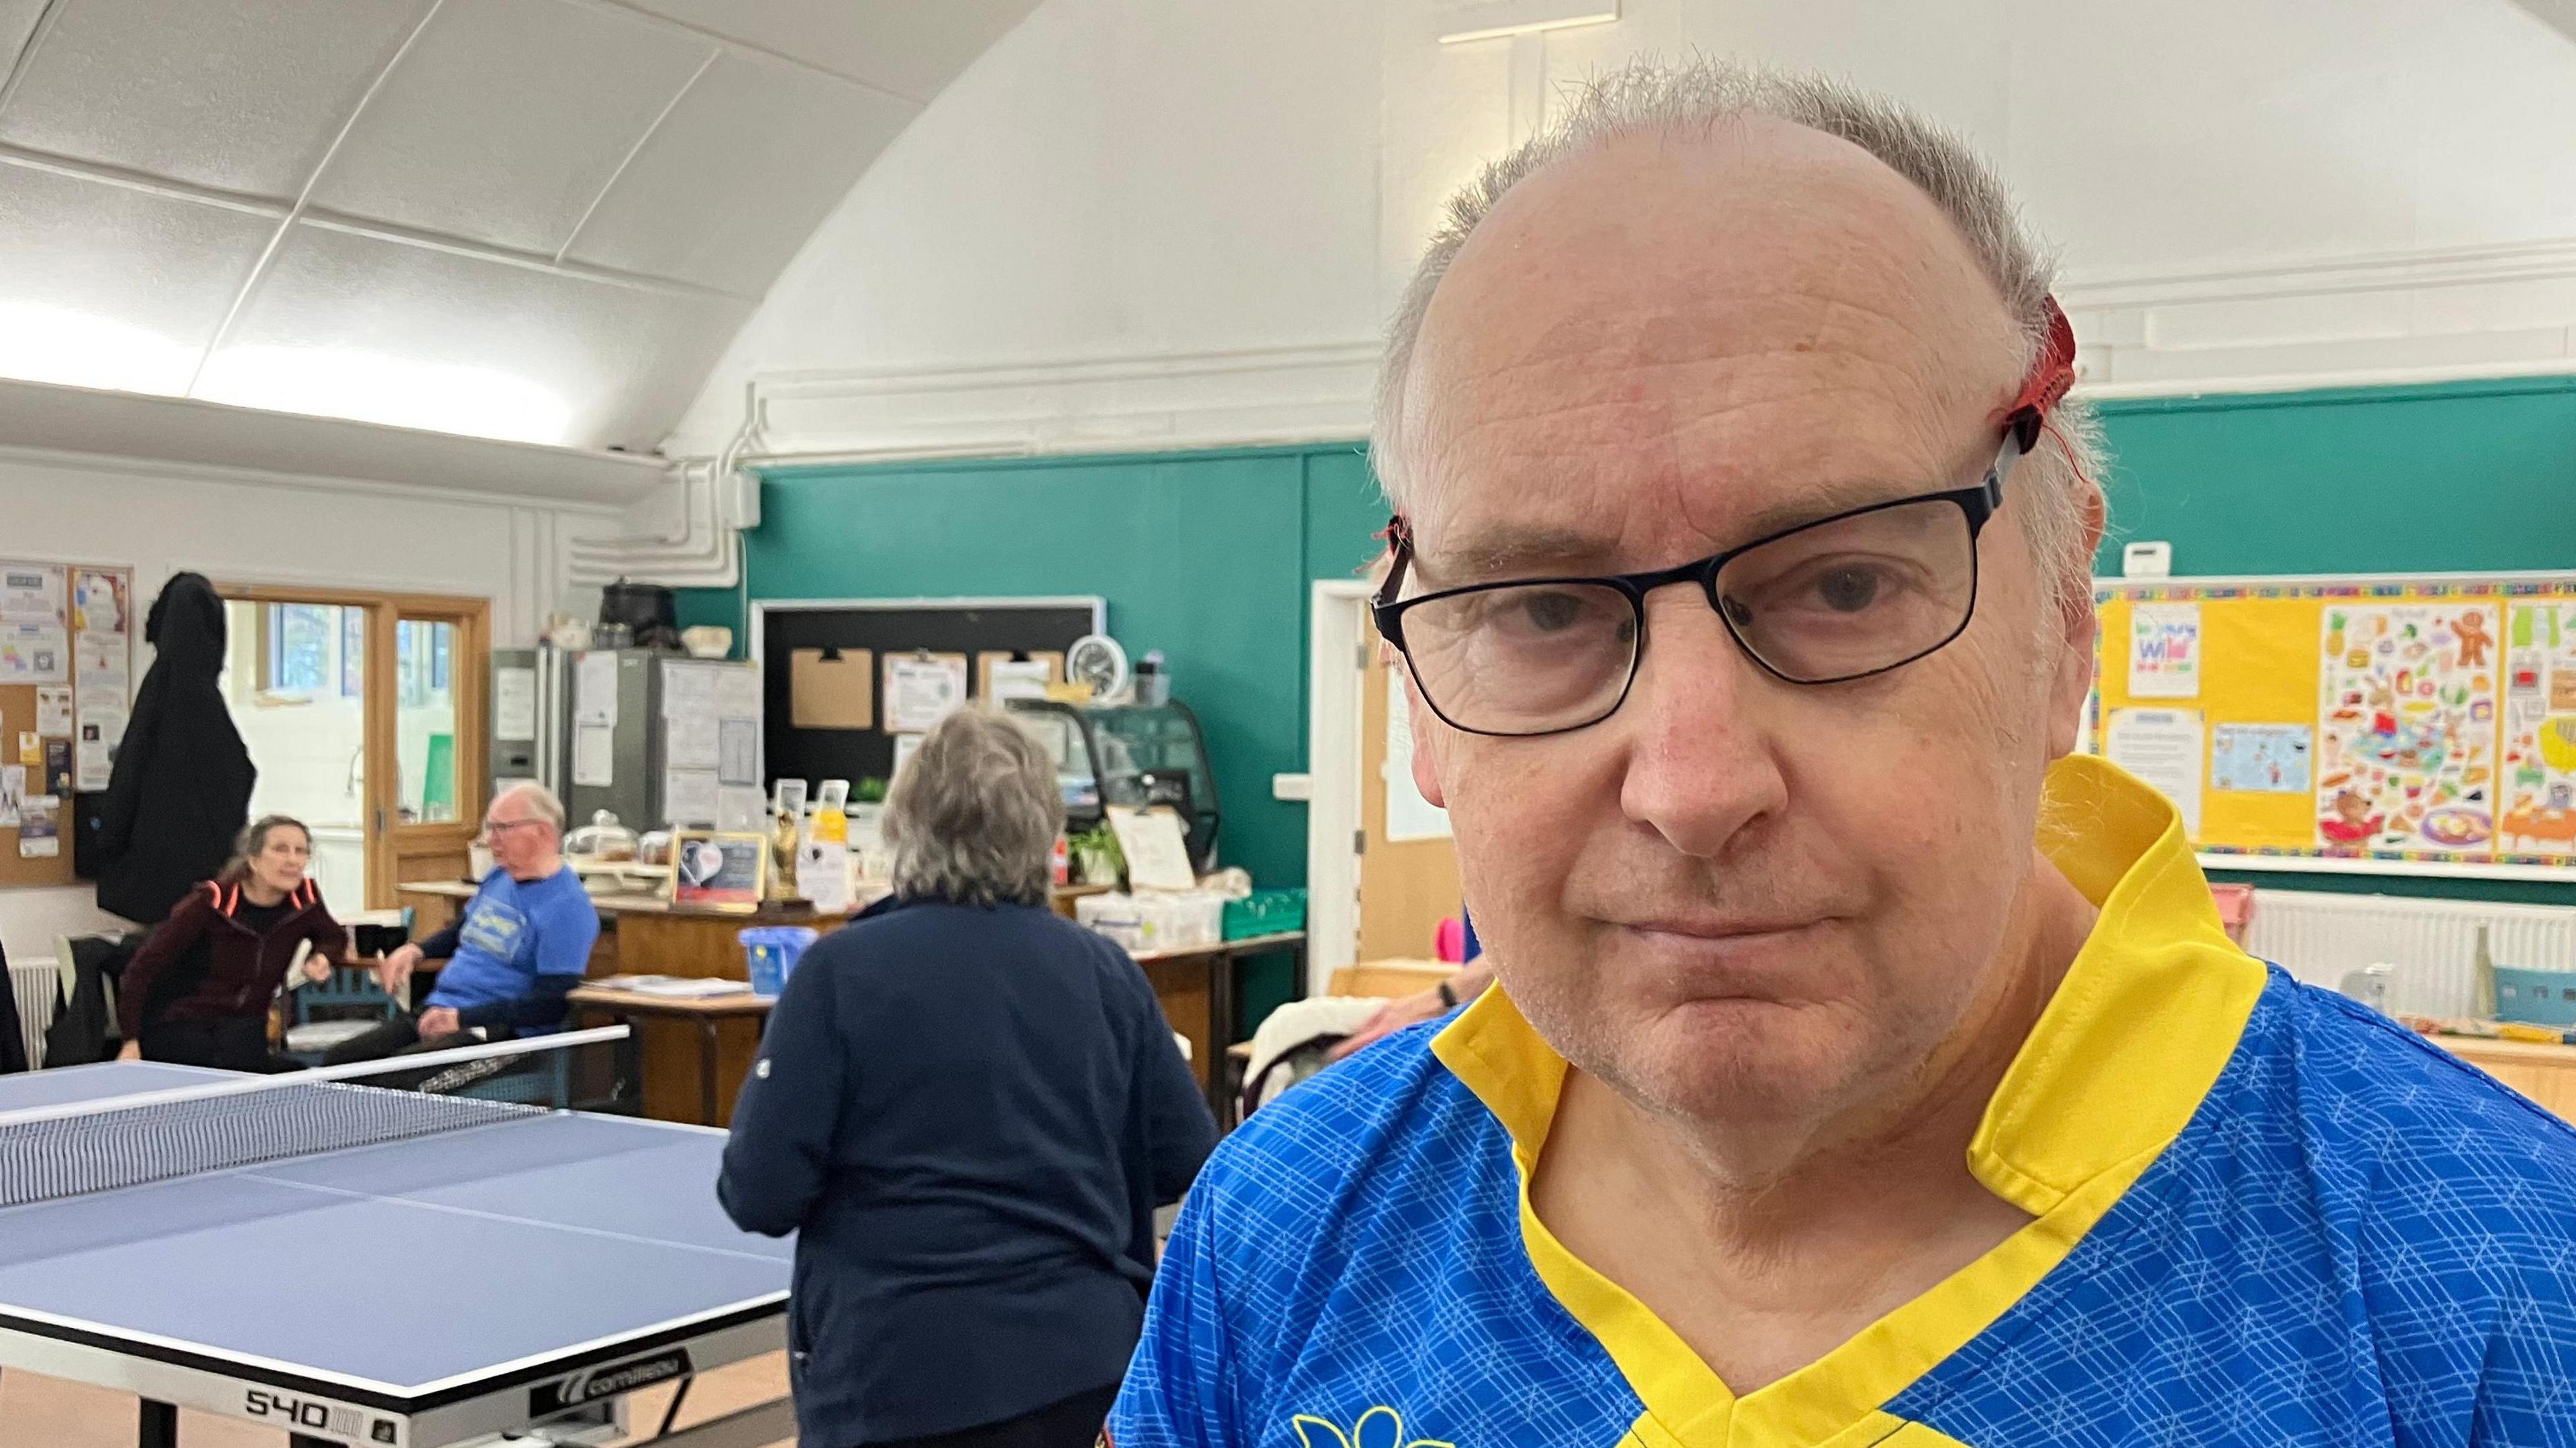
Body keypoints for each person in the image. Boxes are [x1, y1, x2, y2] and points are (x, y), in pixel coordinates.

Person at [1112, 61, 2576, 1448]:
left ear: (2065, 615)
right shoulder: (1289, 1224)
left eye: (1844, 585)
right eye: (1543, 607)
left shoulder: (2487, 1290)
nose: (1690, 787)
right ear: (1420, 689)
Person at [720, 708, 1216, 1448]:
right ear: (1045, 834)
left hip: (894, 1373)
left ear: (902, 827)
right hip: (1085, 1366)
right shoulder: (1104, 971)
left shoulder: (840, 972)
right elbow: (1187, 1158)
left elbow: (760, 1192)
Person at [323, 781, 597, 1063]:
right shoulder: (499, 878)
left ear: (543, 832)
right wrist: (417, 950)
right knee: (340, 1061)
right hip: (441, 1011)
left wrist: (462, 1018)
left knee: (395, 1081)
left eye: (502, 828)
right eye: (490, 828)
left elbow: (552, 1003)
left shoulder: (567, 906)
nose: (491, 840)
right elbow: (460, 931)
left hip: (502, 1035)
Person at [115, 815, 345, 1073]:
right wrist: (130, 1040)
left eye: (301, 851)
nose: (293, 860)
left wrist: (322, 956)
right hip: (183, 1027)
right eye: (280, 849)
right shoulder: (211, 901)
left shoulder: (306, 899)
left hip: (245, 1030)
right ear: (253, 859)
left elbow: (333, 937)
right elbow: (144, 966)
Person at [94, 571, 256, 926]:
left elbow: (127, 781)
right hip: (207, 881)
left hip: (151, 880)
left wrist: (109, 851)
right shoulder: (202, 700)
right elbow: (238, 775)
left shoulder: (159, 692)